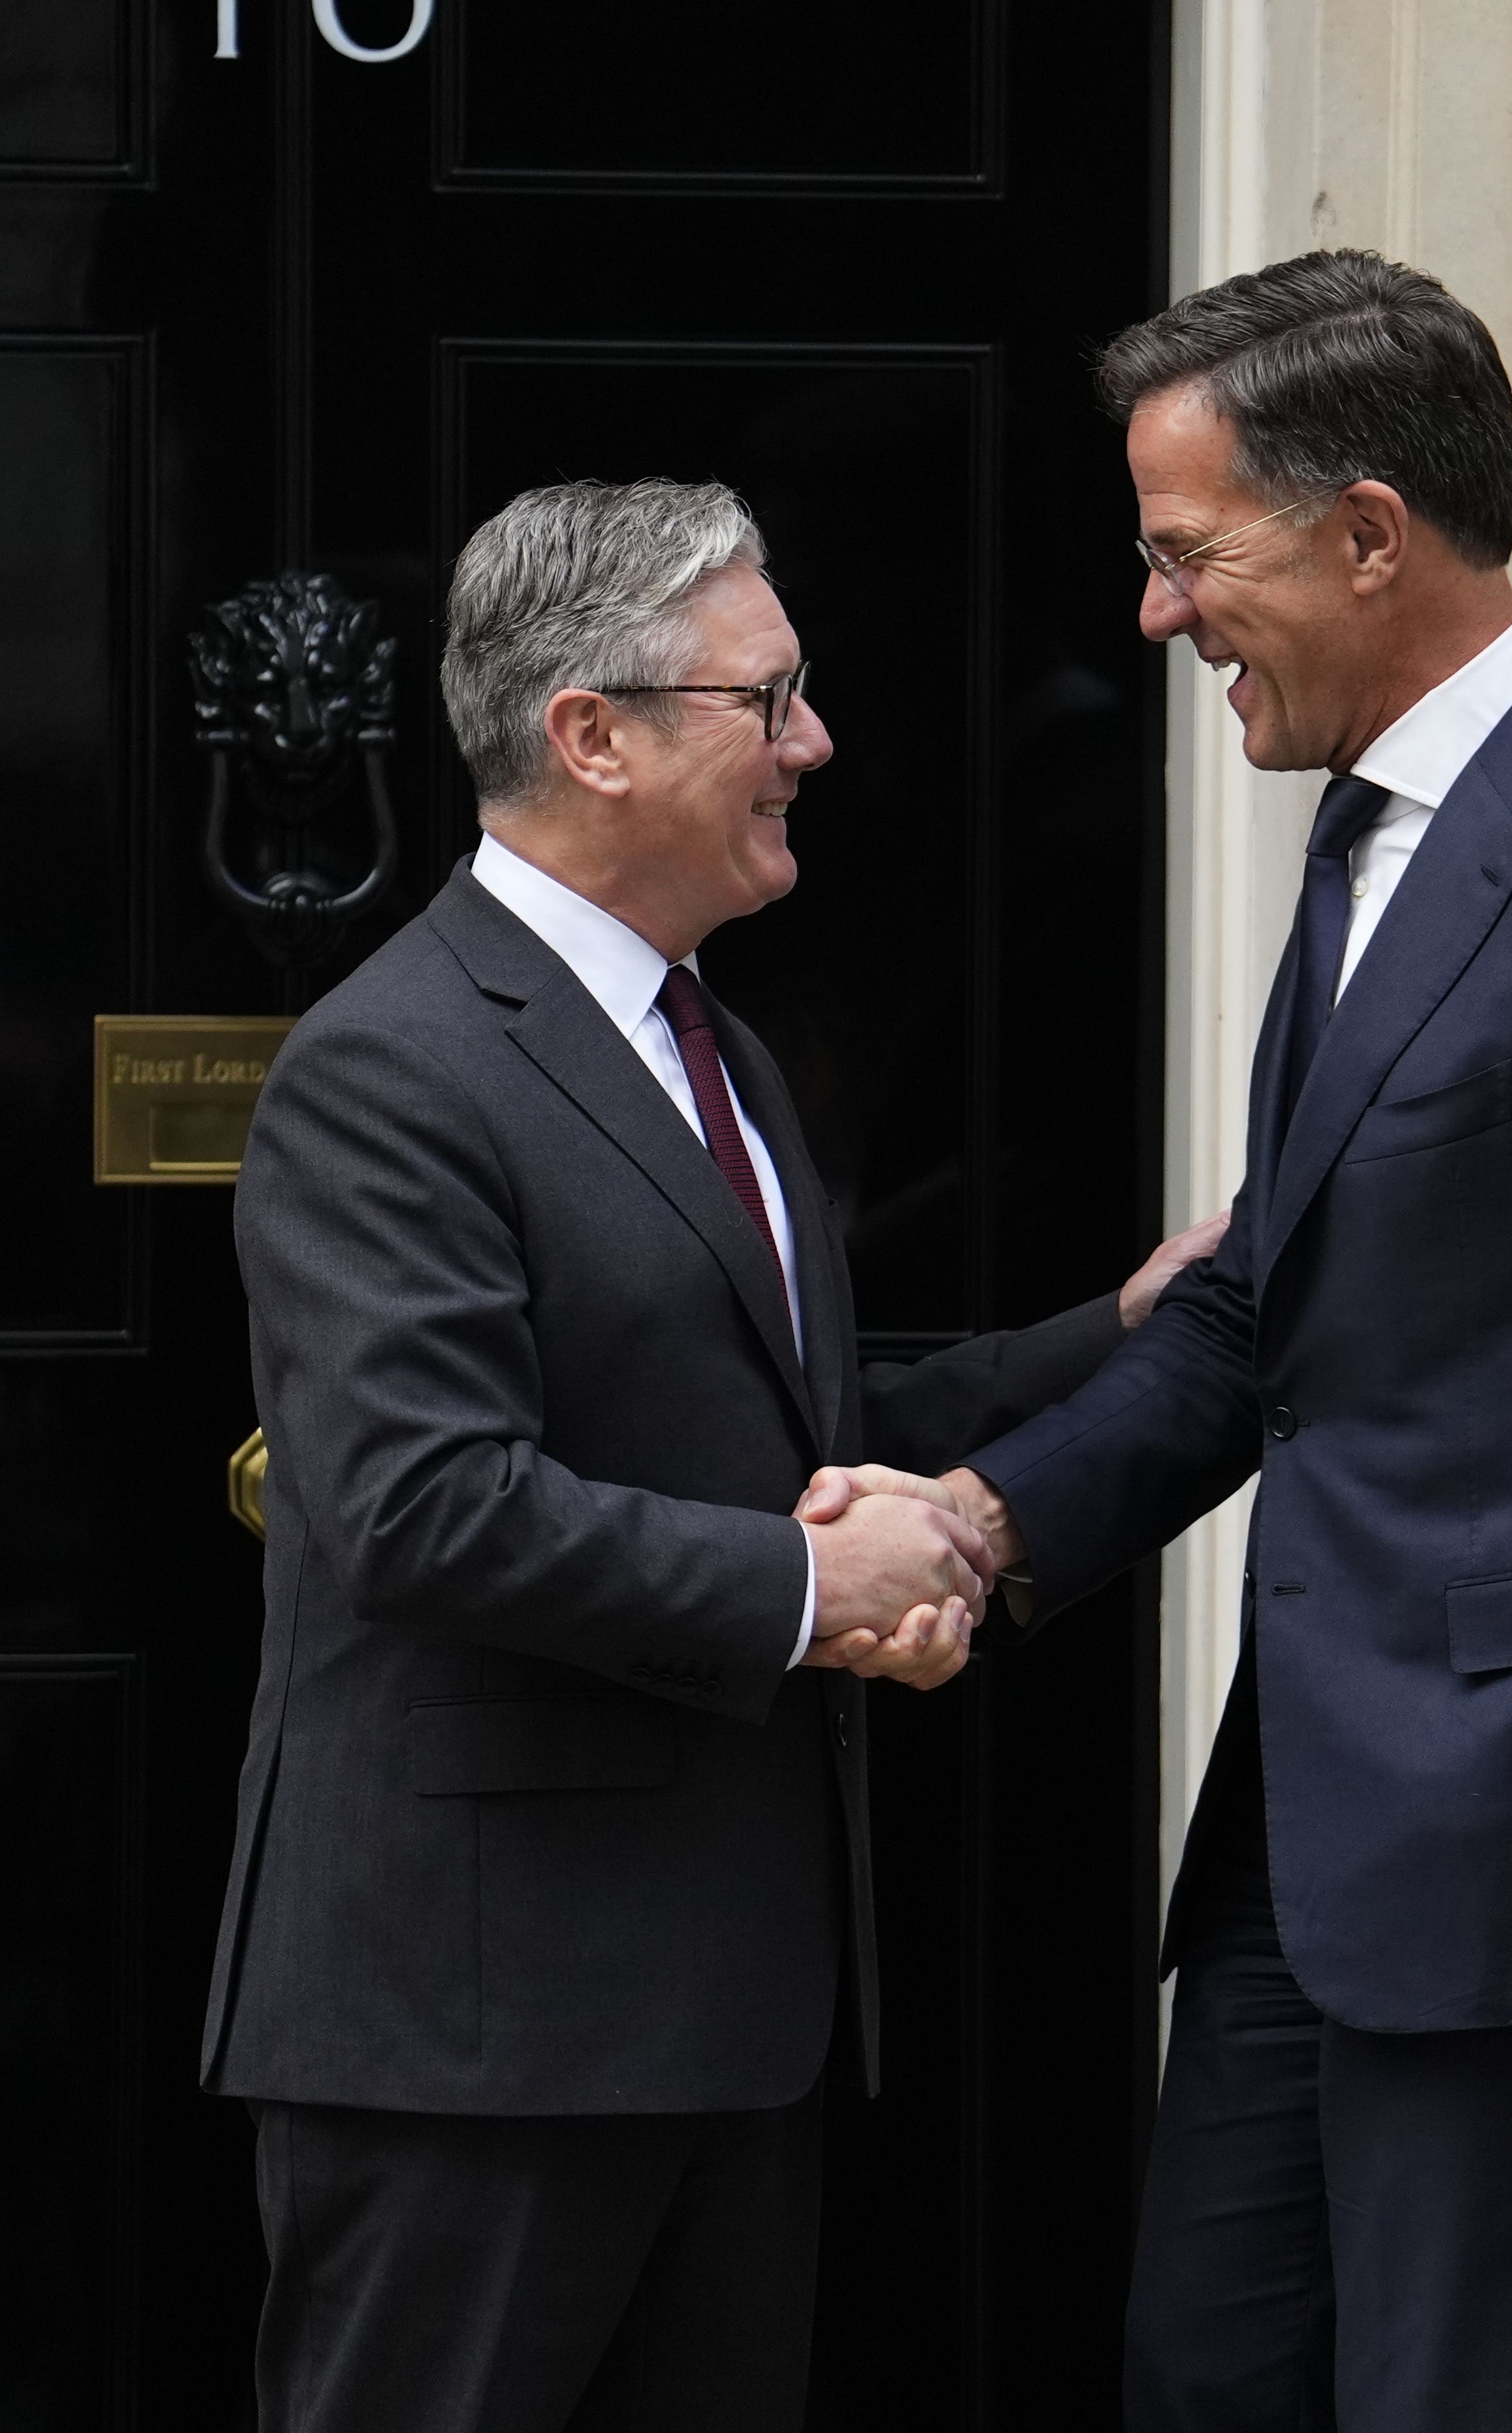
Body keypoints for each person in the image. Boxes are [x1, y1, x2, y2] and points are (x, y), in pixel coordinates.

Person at [809, 250, 1512, 2430]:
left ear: (1371, 533)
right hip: (1313, 1852)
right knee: (1207, 2376)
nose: (1155, 615)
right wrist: (988, 1524)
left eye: (1188, 554)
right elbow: (1265, 1317)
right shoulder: (1370, 846)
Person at [200, 477, 1221, 2433]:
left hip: (724, 2006)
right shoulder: (389, 1065)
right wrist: (811, 1587)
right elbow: (423, 1508)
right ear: (592, 733)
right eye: (767, 699)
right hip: (478, 2030)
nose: (813, 743)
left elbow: (788, 1433)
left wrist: (1116, 1333)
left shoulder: (712, 1047)